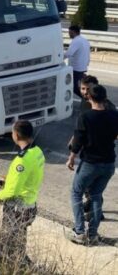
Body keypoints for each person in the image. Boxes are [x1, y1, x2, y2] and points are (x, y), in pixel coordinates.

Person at [66, 84, 118, 245]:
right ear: (105, 97)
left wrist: (71, 157)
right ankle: (93, 234)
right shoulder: (114, 115)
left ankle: (80, 231)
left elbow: (78, 140)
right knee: (96, 196)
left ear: (89, 97)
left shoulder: (86, 117)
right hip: (109, 163)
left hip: (90, 163)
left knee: (76, 193)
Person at [0, 120, 45, 259]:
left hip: (18, 207)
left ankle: (14, 262)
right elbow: (30, 173)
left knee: (10, 239)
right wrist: (10, 178)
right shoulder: (37, 151)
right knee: (20, 235)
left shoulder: (21, 160)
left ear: (16, 135)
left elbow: (12, 191)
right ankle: (21, 258)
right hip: (30, 204)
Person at [64, 25, 91, 97]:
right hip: (82, 67)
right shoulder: (84, 40)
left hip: (76, 68)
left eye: (69, 32)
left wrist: (59, 58)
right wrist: (87, 63)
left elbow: (69, 53)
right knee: (80, 85)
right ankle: (87, 99)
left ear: (73, 32)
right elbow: (88, 53)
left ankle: (87, 99)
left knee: (74, 86)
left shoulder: (76, 41)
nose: (69, 34)